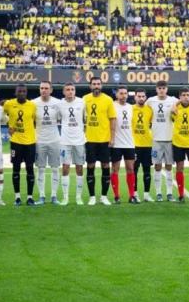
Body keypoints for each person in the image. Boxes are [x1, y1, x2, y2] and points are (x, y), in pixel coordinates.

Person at [83, 77, 116, 206]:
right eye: (94, 84)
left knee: (105, 167)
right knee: (90, 167)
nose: (96, 86)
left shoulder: (108, 100)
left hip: (104, 140)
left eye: (98, 84)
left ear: (101, 86)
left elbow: (112, 119)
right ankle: (92, 197)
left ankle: (103, 196)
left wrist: (112, 138)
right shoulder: (84, 99)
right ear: (90, 86)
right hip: (89, 139)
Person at [3, 83, 37, 206]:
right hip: (16, 142)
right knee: (16, 169)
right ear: (15, 92)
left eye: (24, 91)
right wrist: (8, 125)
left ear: (26, 93)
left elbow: (34, 121)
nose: (22, 93)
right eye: (19, 91)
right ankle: (17, 197)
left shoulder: (32, 105)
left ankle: (29, 197)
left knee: (30, 169)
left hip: (30, 142)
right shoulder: (9, 104)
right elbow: (0, 114)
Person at [146, 81, 179, 201]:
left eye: (163, 88)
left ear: (167, 89)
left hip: (170, 139)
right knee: (157, 166)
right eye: (159, 88)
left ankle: (169, 193)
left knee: (169, 166)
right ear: (156, 89)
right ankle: (159, 193)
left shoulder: (173, 100)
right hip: (156, 139)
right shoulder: (150, 101)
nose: (161, 90)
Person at [33, 81, 62, 205]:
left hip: (55, 140)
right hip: (39, 141)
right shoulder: (33, 103)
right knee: (40, 169)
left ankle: (54, 196)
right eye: (42, 88)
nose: (44, 90)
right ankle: (42, 196)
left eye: (46, 88)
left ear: (51, 90)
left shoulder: (58, 103)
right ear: (39, 90)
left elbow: (63, 119)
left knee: (55, 168)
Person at [57, 83, 86, 205]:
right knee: (65, 168)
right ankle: (65, 197)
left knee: (79, 168)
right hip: (65, 141)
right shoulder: (59, 104)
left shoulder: (82, 103)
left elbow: (86, 120)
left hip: (79, 141)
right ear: (64, 92)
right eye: (67, 90)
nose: (70, 91)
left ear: (75, 91)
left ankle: (78, 197)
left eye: (72, 89)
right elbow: (57, 120)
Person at [172, 88, 189, 202]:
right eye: (183, 95)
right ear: (180, 97)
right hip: (178, 142)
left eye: (188, 95)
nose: (186, 97)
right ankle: (181, 195)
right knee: (180, 168)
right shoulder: (175, 109)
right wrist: (176, 104)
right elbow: (172, 118)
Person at [111, 86, 138, 203]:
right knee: (115, 169)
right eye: (121, 93)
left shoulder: (131, 107)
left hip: (129, 143)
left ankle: (131, 196)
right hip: (116, 143)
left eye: (125, 93)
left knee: (131, 169)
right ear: (116, 95)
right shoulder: (112, 106)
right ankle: (116, 196)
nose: (123, 96)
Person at [132, 89, 154, 202]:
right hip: (134, 144)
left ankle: (146, 195)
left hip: (147, 144)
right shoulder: (130, 109)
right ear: (135, 97)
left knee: (147, 170)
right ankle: (135, 194)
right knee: (134, 170)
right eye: (139, 96)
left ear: (145, 98)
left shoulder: (149, 110)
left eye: (143, 96)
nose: (141, 98)